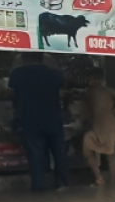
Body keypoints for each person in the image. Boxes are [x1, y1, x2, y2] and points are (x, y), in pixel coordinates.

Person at [9, 52, 70, 192]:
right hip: (53, 118)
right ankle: (63, 183)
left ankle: (39, 186)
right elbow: (63, 88)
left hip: (30, 119)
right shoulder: (54, 74)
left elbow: (12, 95)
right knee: (59, 153)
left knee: (36, 155)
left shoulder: (17, 73)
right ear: (42, 58)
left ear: (24, 58)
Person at [82, 74, 115, 186]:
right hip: (96, 126)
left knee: (111, 155)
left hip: (109, 126)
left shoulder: (108, 90)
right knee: (87, 148)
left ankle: (113, 182)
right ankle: (99, 178)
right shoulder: (89, 92)